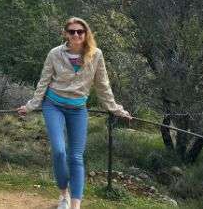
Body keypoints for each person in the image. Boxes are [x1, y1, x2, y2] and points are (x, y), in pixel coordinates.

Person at [17, 17, 131, 209]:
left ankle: (75, 205)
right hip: (53, 105)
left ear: (86, 33)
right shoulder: (55, 54)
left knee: (76, 156)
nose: (76, 35)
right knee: (60, 151)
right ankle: (64, 195)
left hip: (78, 109)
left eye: (80, 31)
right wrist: (30, 105)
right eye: (72, 31)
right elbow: (43, 81)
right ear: (66, 34)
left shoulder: (96, 55)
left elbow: (103, 86)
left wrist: (116, 109)